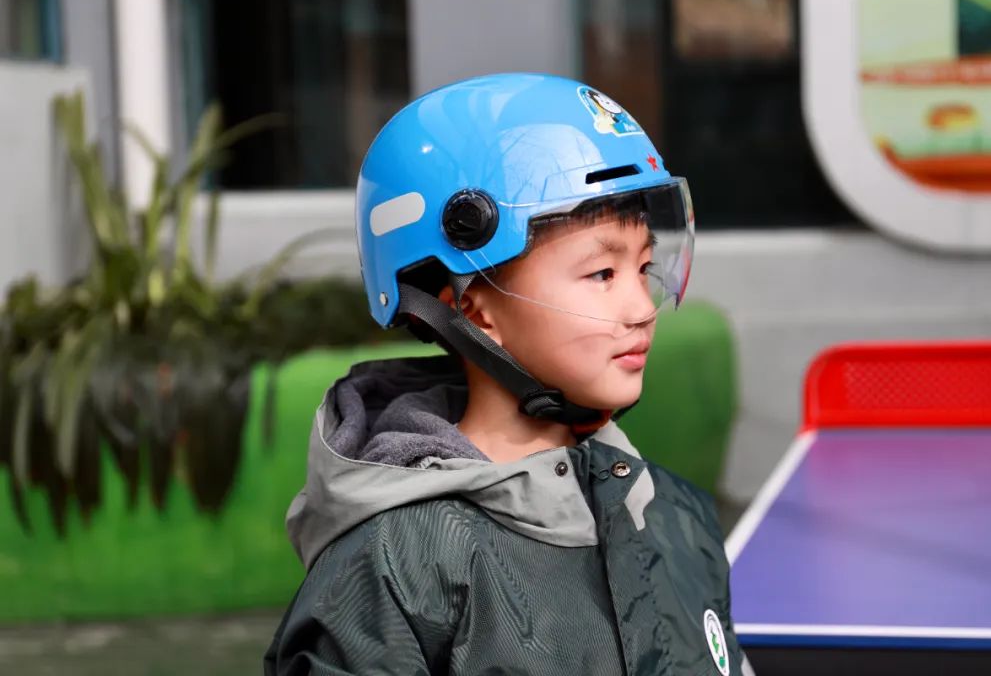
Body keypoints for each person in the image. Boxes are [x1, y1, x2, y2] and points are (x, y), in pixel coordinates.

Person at [264, 73, 745, 676]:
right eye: (601, 274)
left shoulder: (675, 518)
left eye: (644, 267)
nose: (642, 307)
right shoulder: (394, 567)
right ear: (474, 310)